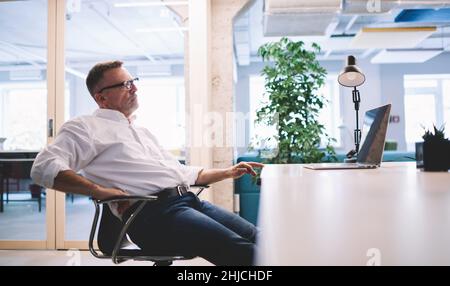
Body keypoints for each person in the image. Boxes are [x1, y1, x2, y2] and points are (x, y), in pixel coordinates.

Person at [31, 60, 263, 266]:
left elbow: (181, 172)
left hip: (188, 202)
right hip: (153, 216)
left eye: (133, 81)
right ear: (101, 97)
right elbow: (43, 167)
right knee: (246, 254)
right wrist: (99, 191)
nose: (134, 88)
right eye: (124, 85)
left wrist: (226, 172)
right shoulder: (85, 127)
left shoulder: (141, 132)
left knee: (261, 238)